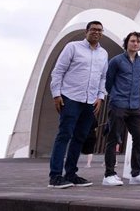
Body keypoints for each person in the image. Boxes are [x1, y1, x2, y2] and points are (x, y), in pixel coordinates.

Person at [48, 20, 108, 189]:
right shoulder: (72, 47)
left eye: (100, 30)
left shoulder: (103, 53)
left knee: (79, 138)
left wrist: (100, 97)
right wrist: (56, 94)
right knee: (64, 135)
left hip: (90, 101)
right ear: (86, 31)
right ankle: (55, 176)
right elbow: (58, 71)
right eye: (94, 30)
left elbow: (103, 77)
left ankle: (71, 174)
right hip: (71, 98)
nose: (97, 32)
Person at [102, 31, 140, 186]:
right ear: (127, 43)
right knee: (113, 139)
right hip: (118, 104)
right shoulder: (116, 61)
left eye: (138, 41)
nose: (135, 43)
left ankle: (136, 174)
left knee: (139, 137)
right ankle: (109, 175)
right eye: (132, 41)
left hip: (135, 106)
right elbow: (108, 83)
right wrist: (116, 97)